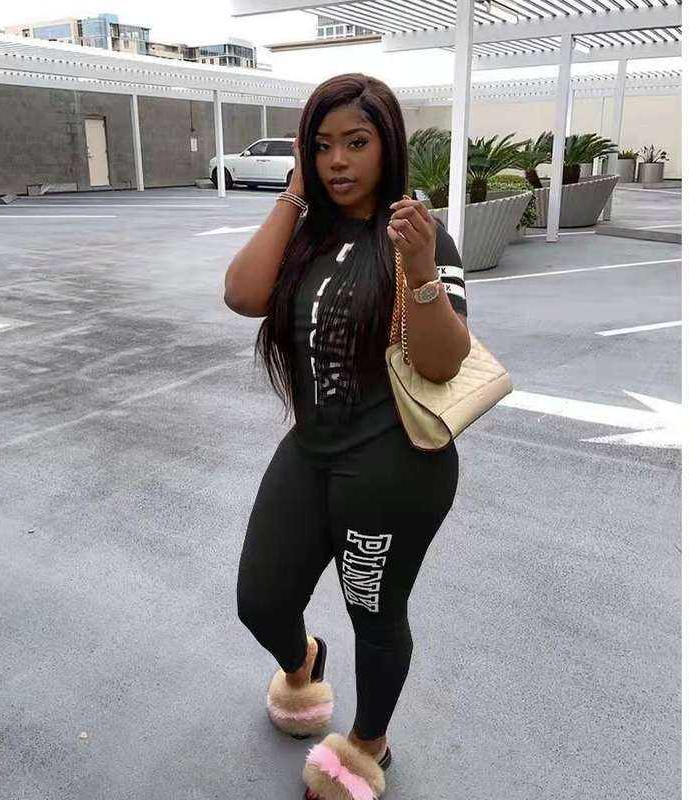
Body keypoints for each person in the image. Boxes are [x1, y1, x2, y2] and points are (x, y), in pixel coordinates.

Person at [224, 73, 470, 800]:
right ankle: (302, 663)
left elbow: (443, 362)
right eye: (322, 145)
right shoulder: (307, 233)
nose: (337, 160)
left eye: (356, 143)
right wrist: (292, 197)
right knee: (261, 600)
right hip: (310, 449)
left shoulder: (418, 235)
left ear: (386, 145)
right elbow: (242, 295)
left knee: (375, 614)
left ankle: (368, 743)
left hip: (393, 465)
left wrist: (420, 270)